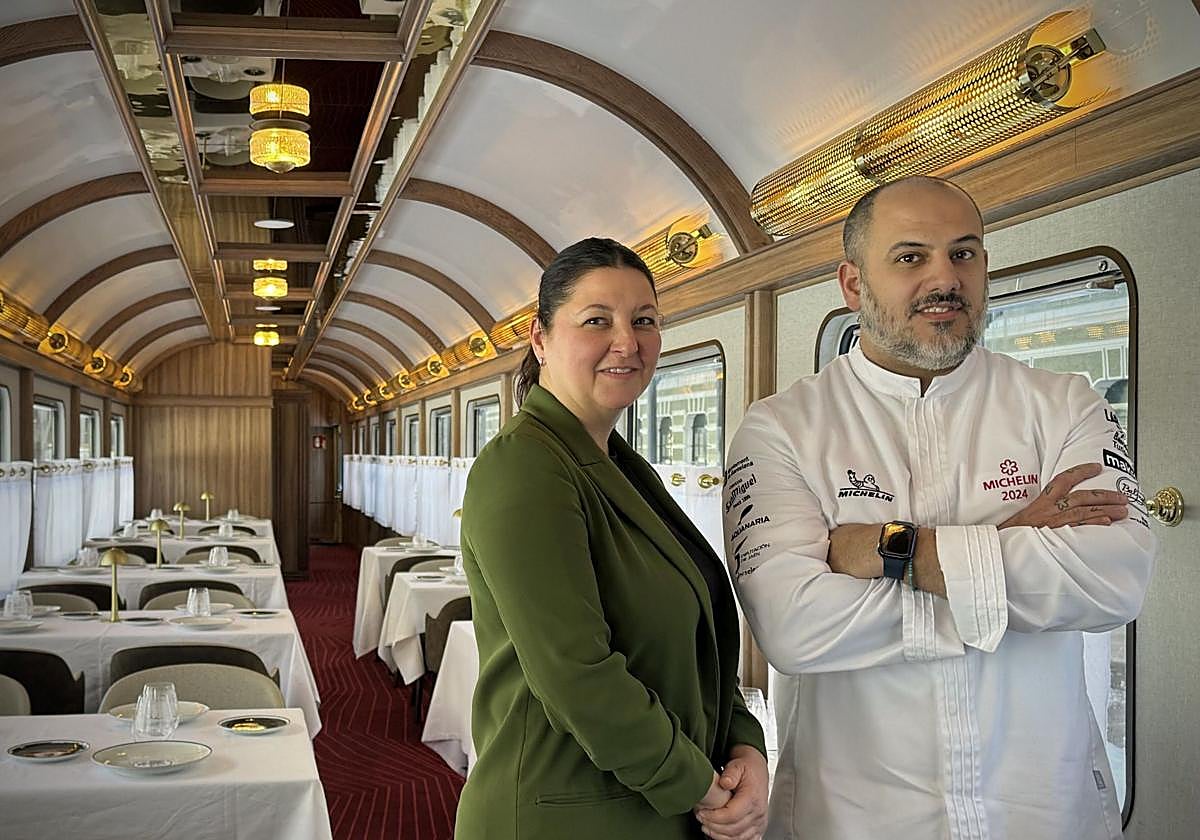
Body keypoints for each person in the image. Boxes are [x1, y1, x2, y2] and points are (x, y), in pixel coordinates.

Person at [723, 176, 1156, 840]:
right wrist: (1010, 545)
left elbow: (1115, 578)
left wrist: (894, 550)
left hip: (1043, 808)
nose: (945, 278)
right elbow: (794, 628)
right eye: (910, 257)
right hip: (856, 818)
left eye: (965, 253)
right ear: (850, 284)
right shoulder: (781, 430)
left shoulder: (1067, 404)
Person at [456, 238, 768, 840]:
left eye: (644, 321)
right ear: (540, 338)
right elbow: (579, 675)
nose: (627, 342)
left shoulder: (625, 469)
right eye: (596, 320)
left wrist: (745, 750)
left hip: (652, 802)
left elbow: (693, 646)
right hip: (564, 812)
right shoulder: (524, 466)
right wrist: (703, 786)